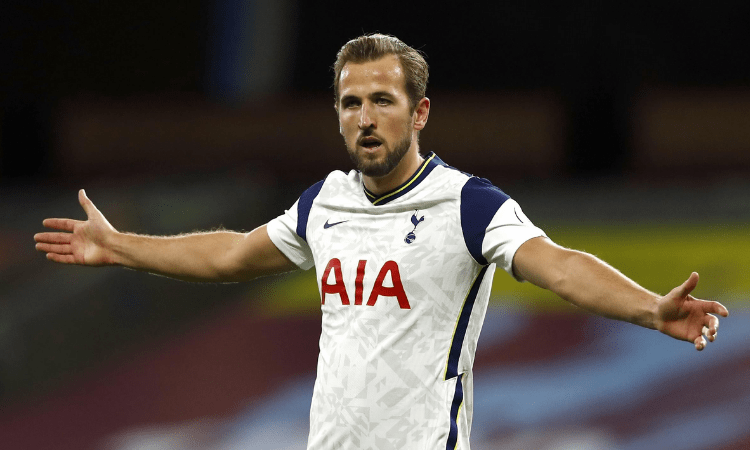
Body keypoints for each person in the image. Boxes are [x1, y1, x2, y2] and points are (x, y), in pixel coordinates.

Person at [35, 34, 729, 450]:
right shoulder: (325, 204)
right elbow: (232, 254)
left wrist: (649, 309)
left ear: (419, 111)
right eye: (350, 103)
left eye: (383, 101)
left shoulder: (467, 204)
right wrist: (121, 246)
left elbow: (559, 267)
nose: (365, 118)